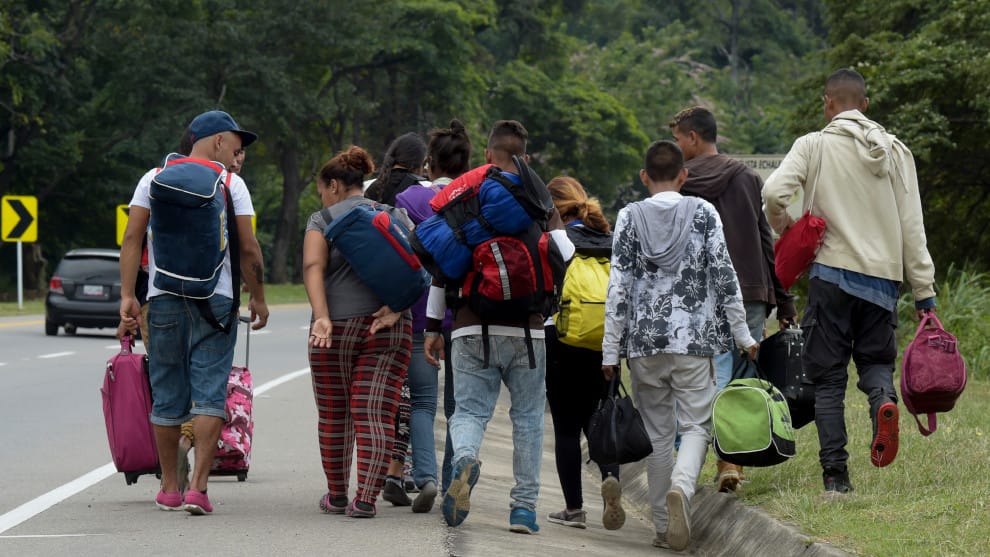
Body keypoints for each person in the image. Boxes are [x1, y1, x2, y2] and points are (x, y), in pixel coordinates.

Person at [763, 68, 936, 495]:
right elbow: (913, 228)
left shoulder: (813, 144)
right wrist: (924, 294)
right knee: (877, 365)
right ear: (866, 104)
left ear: (827, 103)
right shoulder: (896, 152)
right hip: (882, 282)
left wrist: (786, 225)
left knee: (828, 381)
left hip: (832, 278)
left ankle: (836, 478)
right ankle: (884, 403)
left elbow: (772, 193)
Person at [602, 140, 758, 551]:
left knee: (657, 435)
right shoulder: (704, 213)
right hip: (694, 340)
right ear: (684, 175)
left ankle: (659, 526)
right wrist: (743, 335)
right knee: (695, 427)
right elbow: (725, 276)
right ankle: (682, 489)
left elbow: (618, 286)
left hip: (644, 344)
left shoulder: (628, 217)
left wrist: (609, 349)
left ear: (643, 177)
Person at [425, 120, 574, 534]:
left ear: (488, 156)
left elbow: (442, 270)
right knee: (527, 418)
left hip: (471, 326)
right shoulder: (539, 206)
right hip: (528, 331)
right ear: (524, 160)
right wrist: (553, 217)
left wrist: (433, 328)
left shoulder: (472, 202)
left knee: (469, 410)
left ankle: (466, 459)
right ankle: (523, 510)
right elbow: (567, 256)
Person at [119, 110, 269, 515]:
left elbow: (132, 239)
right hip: (215, 302)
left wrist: (127, 297)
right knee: (209, 395)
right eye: (233, 144)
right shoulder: (231, 184)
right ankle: (198, 489)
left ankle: (169, 487)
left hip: (163, 298)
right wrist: (258, 296)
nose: (236, 154)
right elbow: (249, 248)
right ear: (216, 141)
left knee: (167, 395)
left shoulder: (152, 178)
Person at [670, 106, 797, 493]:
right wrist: (785, 298)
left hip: (702, 294)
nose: (677, 147)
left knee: (708, 376)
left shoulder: (682, 184)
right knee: (741, 376)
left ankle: (693, 457)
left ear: (693, 137)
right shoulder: (746, 177)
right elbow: (765, 242)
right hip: (750, 291)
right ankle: (732, 461)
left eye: (678, 139)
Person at [303, 146, 413, 519]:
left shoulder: (321, 220)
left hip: (334, 329)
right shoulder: (392, 215)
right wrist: (397, 308)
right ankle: (365, 499)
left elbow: (312, 266)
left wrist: (322, 316)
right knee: (375, 412)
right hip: (388, 327)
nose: (322, 196)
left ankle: (336, 496)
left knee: (335, 414)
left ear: (333, 185)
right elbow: (418, 265)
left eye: (322, 189)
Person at [394, 119, 471, 510]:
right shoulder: (476, 198)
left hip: (418, 314)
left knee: (422, 403)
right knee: (462, 408)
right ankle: (453, 487)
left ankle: (424, 477)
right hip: (467, 316)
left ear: (429, 164)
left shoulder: (408, 201)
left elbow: (398, 257)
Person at [542, 176, 623, 531]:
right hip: (606, 341)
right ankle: (611, 480)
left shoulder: (554, 241)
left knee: (565, 427)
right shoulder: (611, 239)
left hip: (560, 338)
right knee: (599, 420)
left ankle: (574, 509)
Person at [365, 132, 430, 509]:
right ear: (423, 164)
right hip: (410, 303)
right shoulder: (420, 193)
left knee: (379, 393)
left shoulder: (373, 189)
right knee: (410, 396)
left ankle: (374, 472)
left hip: (372, 302)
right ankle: (397, 468)